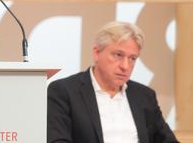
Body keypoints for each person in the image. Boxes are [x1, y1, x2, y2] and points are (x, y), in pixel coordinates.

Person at [47, 21, 178, 143]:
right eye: (118, 55)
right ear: (97, 53)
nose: (125, 66)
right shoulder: (64, 91)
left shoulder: (144, 95)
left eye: (132, 58)